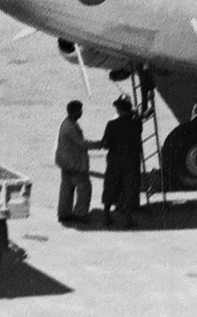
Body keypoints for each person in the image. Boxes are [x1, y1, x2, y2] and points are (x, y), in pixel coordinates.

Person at [100, 96, 144, 227]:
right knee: (129, 188)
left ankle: (106, 216)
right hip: (131, 161)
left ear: (119, 110)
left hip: (115, 160)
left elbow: (106, 144)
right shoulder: (136, 124)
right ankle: (128, 219)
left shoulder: (111, 125)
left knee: (111, 186)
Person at [55, 99, 98, 224]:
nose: (81, 113)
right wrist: (99, 144)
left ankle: (64, 213)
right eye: (80, 111)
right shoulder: (71, 127)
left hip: (66, 162)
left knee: (66, 188)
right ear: (74, 112)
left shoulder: (67, 123)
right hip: (75, 163)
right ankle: (80, 213)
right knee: (84, 188)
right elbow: (81, 143)